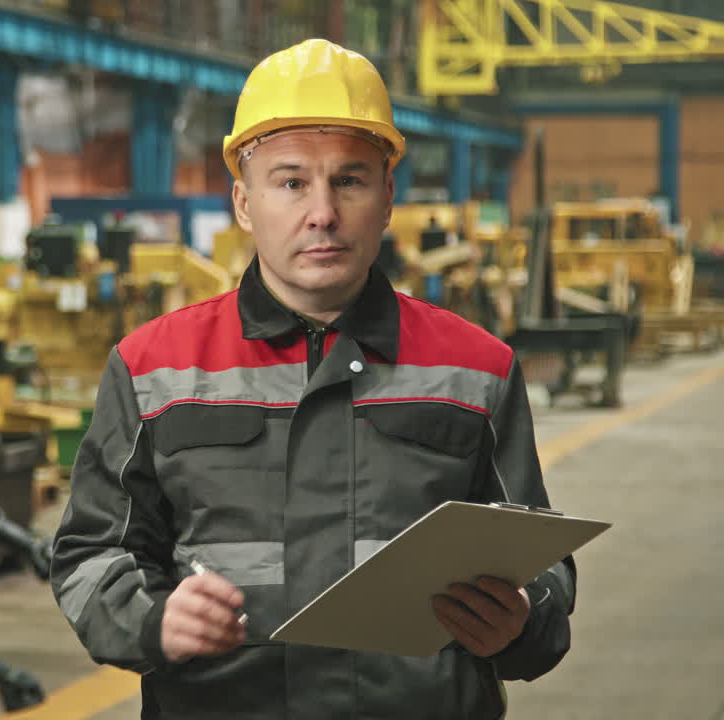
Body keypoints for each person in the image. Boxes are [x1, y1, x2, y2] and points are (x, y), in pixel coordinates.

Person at [51, 39, 575, 719]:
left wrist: (525, 621)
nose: (322, 212)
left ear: (387, 198)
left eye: (350, 180)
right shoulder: (153, 367)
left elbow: (538, 559)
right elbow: (91, 552)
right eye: (292, 182)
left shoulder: (475, 368)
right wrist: (151, 621)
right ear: (244, 203)